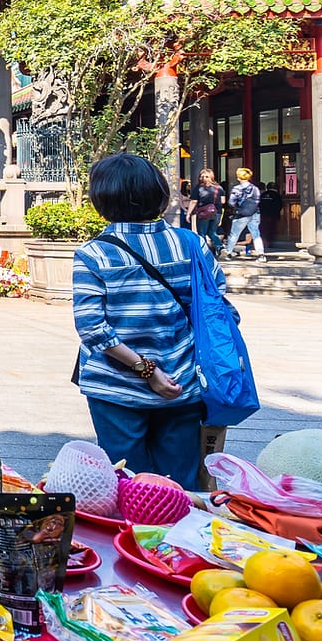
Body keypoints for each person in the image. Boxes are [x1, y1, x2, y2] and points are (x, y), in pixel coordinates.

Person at [68, 153, 218, 487]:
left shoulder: (94, 254)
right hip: (183, 384)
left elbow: (92, 328)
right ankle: (178, 538)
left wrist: (147, 372)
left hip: (116, 388)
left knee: (128, 484)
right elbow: (219, 308)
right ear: (160, 195)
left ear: (100, 201)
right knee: (179, 485)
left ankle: (131, 539)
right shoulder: (191, 244)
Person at [224, 168, 262, 259]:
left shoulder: (237, 189)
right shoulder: (255, 188)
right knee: (256, 233)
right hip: (255, 212)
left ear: (238, 178)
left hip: (241, 213)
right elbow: (258, 200)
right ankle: (261, 254)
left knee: (234, 234)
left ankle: (228, 253)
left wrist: (237, 208)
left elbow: (231, 202)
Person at [190, 169, 224, 253]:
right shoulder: (219, 188)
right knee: (212, 232)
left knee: (202, 233)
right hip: (217, 212)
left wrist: (188, 214)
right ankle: (220, 247)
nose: (204, 178)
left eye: (205, 176)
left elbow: (194, 201)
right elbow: (223, 201)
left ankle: (204, 251)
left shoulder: (199, 188)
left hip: (203, 213)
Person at [259, 183, 284, 250]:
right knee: (271, 229)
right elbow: (279, 205)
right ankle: (269, 242)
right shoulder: (277, 195)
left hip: (263, 215)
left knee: (263, 229)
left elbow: (259, 204)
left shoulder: (263, 195)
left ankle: (264, 242)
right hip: (273, 215)